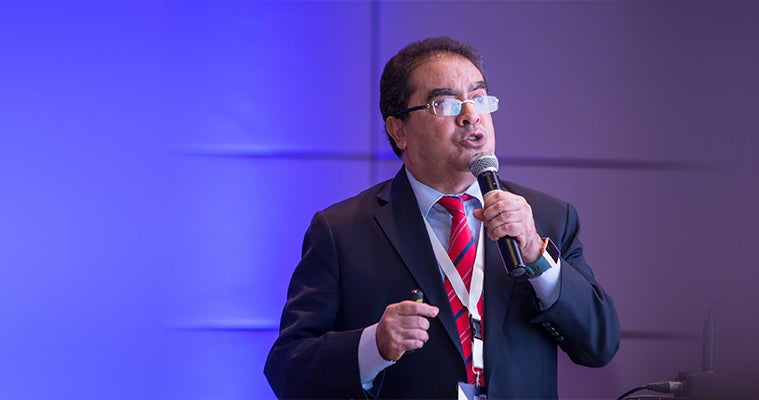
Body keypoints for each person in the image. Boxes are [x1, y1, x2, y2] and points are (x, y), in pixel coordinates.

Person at [264, 36, 621, 399]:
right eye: (445, 104)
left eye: (479, 99)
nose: (470, 115)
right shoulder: (343, 231)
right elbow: (288, 368)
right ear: (399, 131)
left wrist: (536, 255)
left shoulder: (547, 218)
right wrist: (374, 346)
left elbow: (600, 344)